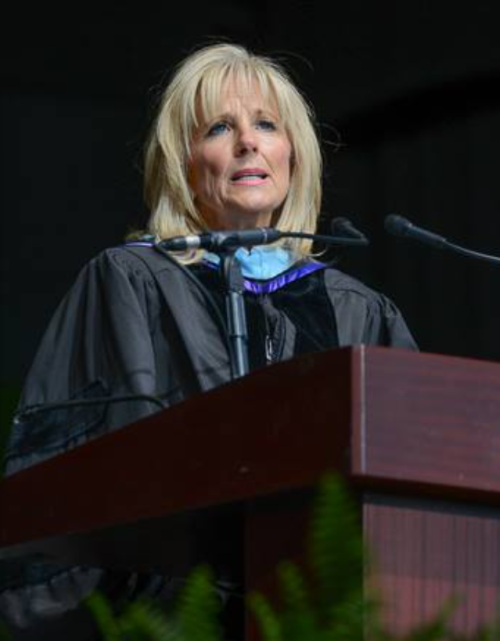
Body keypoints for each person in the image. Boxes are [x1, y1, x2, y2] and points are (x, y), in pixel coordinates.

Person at [0, 43, 416, 639]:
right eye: (220, 127)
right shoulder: (132, 280)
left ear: (292, 155)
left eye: (266, 125)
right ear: (182, 163)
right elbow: (80, 479)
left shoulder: (360, 311)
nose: (248, 141)